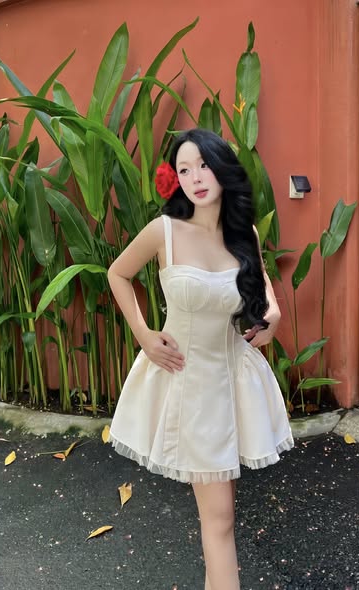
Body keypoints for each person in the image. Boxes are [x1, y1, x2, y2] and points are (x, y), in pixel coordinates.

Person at [108, 128, 294, 590]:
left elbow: (265, 293)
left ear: (222, 167)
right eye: (184, 169)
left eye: (204, 165)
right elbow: (117, 273)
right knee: (220, 517)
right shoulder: (165, 231)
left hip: (234, 380)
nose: (195, 177)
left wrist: (271, 318)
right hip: (187, 383)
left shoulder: (244, 233)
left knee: (221, 515)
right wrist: (144, 335)